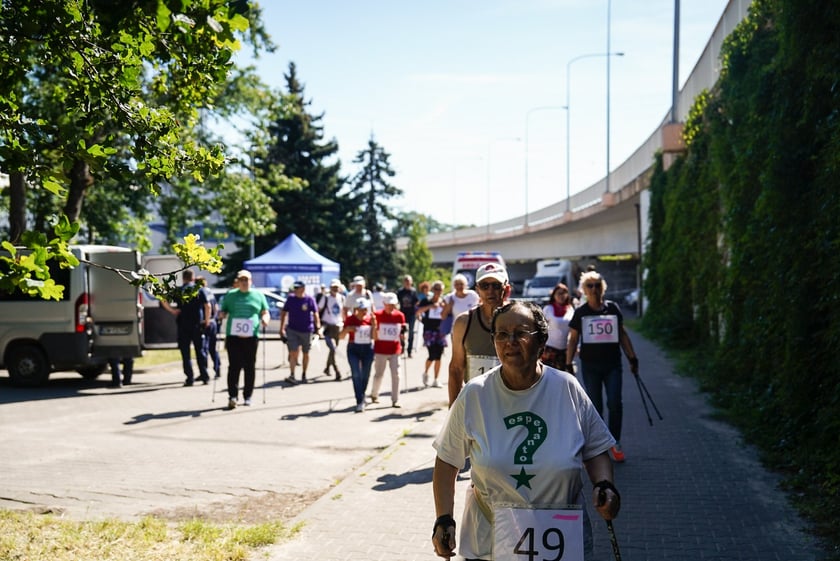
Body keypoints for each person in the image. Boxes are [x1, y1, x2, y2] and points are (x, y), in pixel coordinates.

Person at [432, 301, 620, 561]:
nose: (510, 341)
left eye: (520, 333)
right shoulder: (475, 393)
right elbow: (446, 460)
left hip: (563, 543)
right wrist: (444, 519)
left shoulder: (567, 388)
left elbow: (597, 449)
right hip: (488, 546)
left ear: (541, 341)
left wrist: (605, 484)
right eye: (501, 334)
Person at [566, 270, 639, 463]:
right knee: (595, 406)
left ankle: (615, 441)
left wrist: (632, 358)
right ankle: (599, 444)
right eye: (590, 286)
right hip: (590, 366)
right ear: (584, 290)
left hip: (613, 364)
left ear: (603, 288)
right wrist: (568, 362)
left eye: (597, 285)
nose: (594, 289)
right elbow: (573, 339)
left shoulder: (612, 308)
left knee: (614, 403)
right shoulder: (581, 313)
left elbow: (622, 334)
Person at [448, 263, 511, 406]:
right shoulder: (463, 322)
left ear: (506, 288)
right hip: (476, 402)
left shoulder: (518, 320)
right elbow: (456, 368)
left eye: (496, 285)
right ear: (477, 289)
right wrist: (453, 410)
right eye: (484, 285)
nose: (490, 291)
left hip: (510, 402)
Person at [217, 270, 269, 409]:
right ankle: (232, 396)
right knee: (234, 366)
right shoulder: (230, 295)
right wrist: (221, 315)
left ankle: (248, 396)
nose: (244, 282)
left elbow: (265, 312)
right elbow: (224, 310)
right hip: (233, 336)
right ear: (238, 282)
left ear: (251, 281)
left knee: (249, 366)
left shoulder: (258, 295)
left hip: (251, 336)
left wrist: (265, 319)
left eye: (247, 280)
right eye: (242, 280)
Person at [162, 269, 210, 386]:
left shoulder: (179, 290)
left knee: (185, 353)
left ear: (183, 278)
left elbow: (163, 299)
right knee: (200, 351)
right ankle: (204, 376)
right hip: (197, 324)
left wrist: (173, 311)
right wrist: (207, 321)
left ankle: (190, 378)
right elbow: (207, 305)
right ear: (193, 278)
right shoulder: (199, 289)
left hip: (183, 324)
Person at [339, 298, 376, 412]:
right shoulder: (350, 319)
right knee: (356, 374)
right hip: (353, 348)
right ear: (355, 310)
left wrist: (374, 325)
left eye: (365, 309)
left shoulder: (370, 319)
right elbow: (341, 336)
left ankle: (362, 393)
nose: (363, 312)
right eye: (360, 310)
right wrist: (348, 329)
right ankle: (359, 400)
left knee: (365, 373)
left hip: (367, 348)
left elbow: (375, 337)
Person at [280, 280, 321, 384]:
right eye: (295, 288)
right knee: (293, 352)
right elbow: (284, 312)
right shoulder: (291, 299)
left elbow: (315, 313)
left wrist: (318, 326)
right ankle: (292, 374)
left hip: (307, 330)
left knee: (306, 353)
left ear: (303, 288)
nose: (296, 290)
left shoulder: (309, 299)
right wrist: (281, 328)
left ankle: (304, 373)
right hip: (292, 329)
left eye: (298, 288)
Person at [370, 292, 406, 408]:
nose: (391, 307)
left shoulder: (399, 316)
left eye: (393, 304)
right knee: (379, 374)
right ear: (384, 303)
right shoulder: (377, 315)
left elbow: (401, 332)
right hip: (381, 350)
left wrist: (404, 340)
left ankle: (396, 399)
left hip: (395, 349)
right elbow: (374, 331)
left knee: (396, 374)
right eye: (389, 304)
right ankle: (374, 394)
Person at [417, 280, 447, 388]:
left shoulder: (443, 302)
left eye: (440, 289)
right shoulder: (426, 300)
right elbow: (417, 312)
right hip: (429, 331)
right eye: (436, 289)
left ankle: (436, 379)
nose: (438, 291)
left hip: (440, 331)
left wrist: (444, 308)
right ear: (433, 290)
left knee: (439, 356)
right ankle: (425, 373)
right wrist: (430, 306)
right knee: (432, 355)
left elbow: (447, 315)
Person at [541, 282, 574, 370]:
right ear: (554, 295)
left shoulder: (570, 309)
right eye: (559, 293)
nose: (561, 296)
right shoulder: (548, 309)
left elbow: (574, 330)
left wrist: (575, 346)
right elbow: (541, 329)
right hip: (549, 350)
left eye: (564, 293)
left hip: (565, 350)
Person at [319, 279, 346, 380]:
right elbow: (318, 309)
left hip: (338, 327)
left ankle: (327, 367)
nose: (335, 289)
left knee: (333, 350)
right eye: (333, 287)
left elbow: (343, 312)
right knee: (333, 348)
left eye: (336, 287)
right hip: (328, 326)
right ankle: (337, 370)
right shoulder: (325, 298)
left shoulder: (342, 298)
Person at [196, 275, 221, 379]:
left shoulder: (201, 292)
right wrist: (214, 319)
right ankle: (217, 369)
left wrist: (206, 321)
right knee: (212, 348)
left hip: (206, 322)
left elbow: (208, 307)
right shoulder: (210, 291)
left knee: (204, 348)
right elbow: (216, 307)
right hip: (213, 322)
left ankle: (204, 373)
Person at [441, 273, 479, 340]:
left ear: (465, 284)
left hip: (472, 329)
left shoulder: (473, 295)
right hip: (456, 330)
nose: (459, 286)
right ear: (454, 285)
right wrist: (449, 306)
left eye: (461, 284)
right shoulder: (450, 297)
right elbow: (443, 316)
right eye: (456, 284)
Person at [396, 274, 420, 358]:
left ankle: (409, 351)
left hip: (411, 314)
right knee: (401, 332)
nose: (407, 283)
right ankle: (402, 347)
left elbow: (417, 302)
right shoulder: (400, 292)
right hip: (403, 313)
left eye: (408, 282)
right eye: (406, 281)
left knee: (411, 333)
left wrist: (418, 313)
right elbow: (397, 302)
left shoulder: (413, 291)